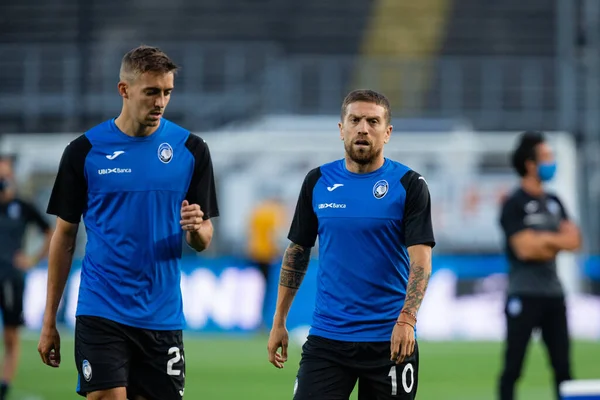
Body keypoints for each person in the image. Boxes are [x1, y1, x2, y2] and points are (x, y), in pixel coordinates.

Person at [37, 45, 220, 400]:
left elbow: (204, 238)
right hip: (101, 308)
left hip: (162, 316)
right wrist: (49, 321)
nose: (161, 102)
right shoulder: (85, 151)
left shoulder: (191, 150)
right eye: (151, 92)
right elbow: (65, 236)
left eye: (167, 92)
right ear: (124, 90)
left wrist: (197, 229)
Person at [267, 89, 436, 400]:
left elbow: (421, 260)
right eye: (355, 120)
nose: (363, 128)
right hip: (328, 340)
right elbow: (297, 252)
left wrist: (407, 320)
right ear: (341, 128)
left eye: (373, 121)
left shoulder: (409, 185)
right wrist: (279, 321)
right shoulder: (317, 181)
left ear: (387, 133)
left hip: (389, 340)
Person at [498, 131, 581, 400]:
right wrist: (555, 240)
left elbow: (575, 240)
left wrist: (541, 239)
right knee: (513, 368)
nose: (551, 162)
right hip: (524, 294)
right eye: (546, 157)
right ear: (531, 164)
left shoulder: (555, 202)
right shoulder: (514, 204)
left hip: (554, 295)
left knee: (564, 368)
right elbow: (524, 249)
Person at [0, 155, 52, 400]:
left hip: (11, 277)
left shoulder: (22, 206)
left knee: (11, 334)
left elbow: (50, 232)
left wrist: (32, 259)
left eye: (5, 176)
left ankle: (5, 384)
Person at [246, 192, 287, 326]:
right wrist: (279, 251)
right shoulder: (275, 212)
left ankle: (255, 318)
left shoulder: (257, 211)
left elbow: (249, 231)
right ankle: (263, 320)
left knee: (256, 288)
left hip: (254, 253)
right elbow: (275, 234)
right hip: (268, 255)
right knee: (267, 289)